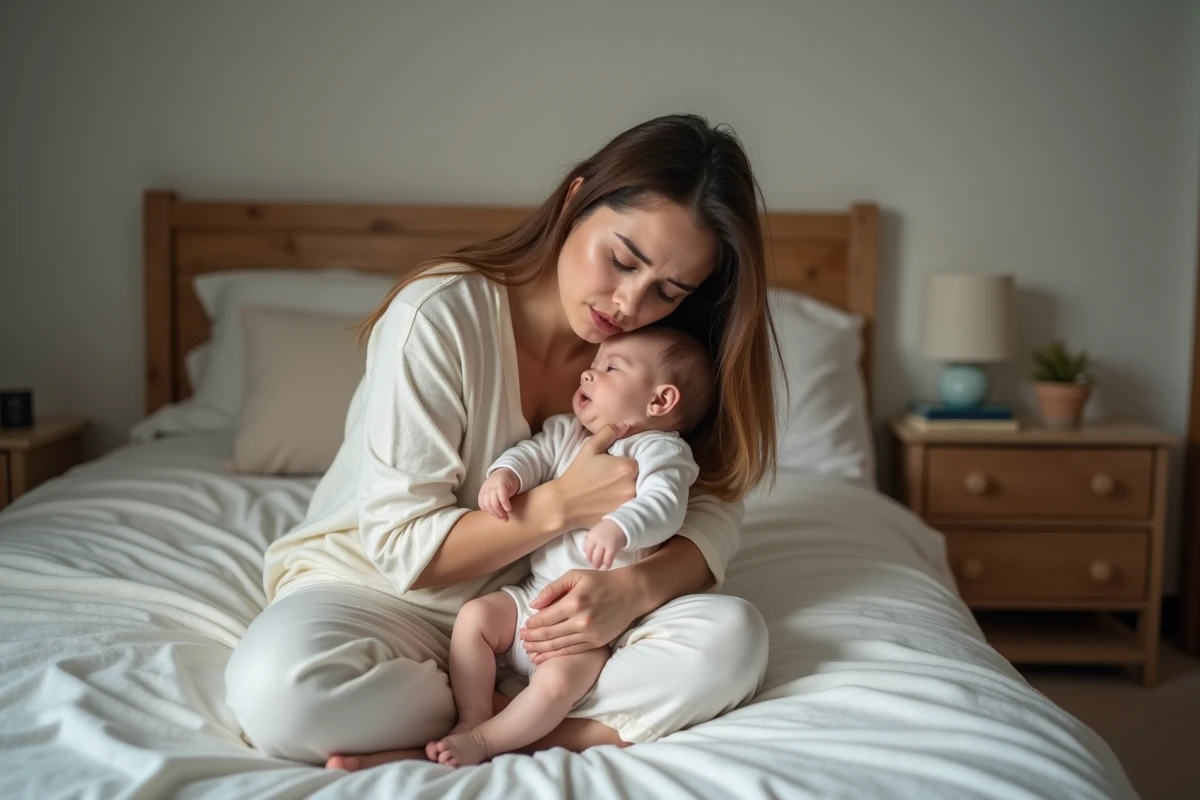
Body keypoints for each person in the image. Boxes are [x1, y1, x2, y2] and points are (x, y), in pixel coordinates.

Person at [223, 113, 779, 770]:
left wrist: (631, 592)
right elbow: (402, 547)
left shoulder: (657, 360)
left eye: (667, 289)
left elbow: (711, 511)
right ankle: (521, 720)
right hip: (381, 595)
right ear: (575, 200)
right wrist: (565, 504)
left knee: (734, 641)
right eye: (621, 260)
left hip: (548, 624)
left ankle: (485, 730)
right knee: (278, 694)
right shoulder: (439, 315)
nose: (629, 303)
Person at [430, 326, 713, 767]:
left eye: (610, 368)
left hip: (586, 629)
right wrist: (505, 476)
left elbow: (665, 505)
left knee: (557, 685)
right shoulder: (567, 431)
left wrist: (622, 527)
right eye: (593, 363)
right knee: (474, 618)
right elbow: (532, 454)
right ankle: (474, 716)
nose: (588, 374)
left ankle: (487, 742)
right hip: (531, 596)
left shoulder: (661, 451)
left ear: (659, 401)